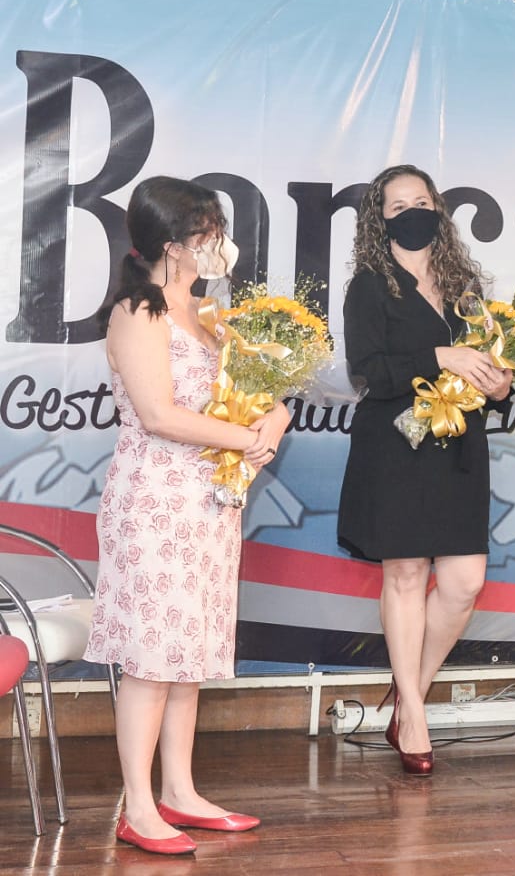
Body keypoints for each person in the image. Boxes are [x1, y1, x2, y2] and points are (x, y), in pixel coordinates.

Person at [84, 176, 291, 855]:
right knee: (151, 657)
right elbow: (159, 415)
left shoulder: (209, 313)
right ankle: (138, 808)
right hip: (154, 500)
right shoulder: (136, 311)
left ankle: (179, 791)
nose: (218, 244)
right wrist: (244, 438)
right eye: (207, 232)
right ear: (172, 245)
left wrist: (274, 419)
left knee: (187, 652)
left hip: (209, 503)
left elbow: (257, 394)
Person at [337, 164, 511, 776]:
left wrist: (498, 383)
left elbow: (488, 365)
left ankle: (408, 689)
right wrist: (441, 355)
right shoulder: (368, 286)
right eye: (398, 205)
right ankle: (412, 712)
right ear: (380, 220)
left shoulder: (465, 287)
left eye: (422, 201)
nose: (413, 212)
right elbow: (368, 371)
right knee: (406, 575)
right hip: (396, 447)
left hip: (459, 446)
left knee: (464, 583)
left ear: (437, 208)